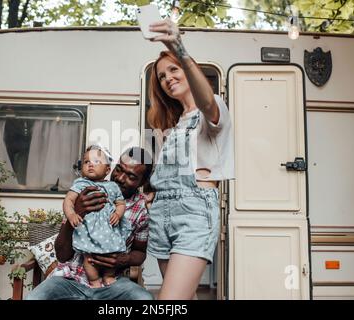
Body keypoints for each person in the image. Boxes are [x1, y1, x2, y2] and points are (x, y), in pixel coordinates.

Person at [145, 18, 234, 299]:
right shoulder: (173, 124)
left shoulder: (212, 108)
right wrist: (153, 193)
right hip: (161, 213)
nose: (168, 78)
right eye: (162, 76)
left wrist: (178, 47)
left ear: (188, 69)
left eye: (174, 69)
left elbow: (206, 101)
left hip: (195, 211)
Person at [25, 147, 154, 300]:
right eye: (119, 169)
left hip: (112, 282)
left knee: (144, 299)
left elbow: (140, 253)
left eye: (131, 176)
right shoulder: (87, 192)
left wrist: (122, 260)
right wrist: (77, 212)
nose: (120, 178)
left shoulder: (140, 210)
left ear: (143, 182)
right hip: (70, 279)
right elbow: (62, 255)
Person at [63, 145, 131, 287]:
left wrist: (118, 214)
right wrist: (71, 214)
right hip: (88, 230)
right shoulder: (80, 184)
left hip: (109, 230)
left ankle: (109, 276)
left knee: (112, 252)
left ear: (107, 170)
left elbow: (120, 203)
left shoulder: (113, 186)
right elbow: (68, 200)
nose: (90, 165)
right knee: (89, 256)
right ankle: (94, 280)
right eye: (87, 162)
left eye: (96, 161)